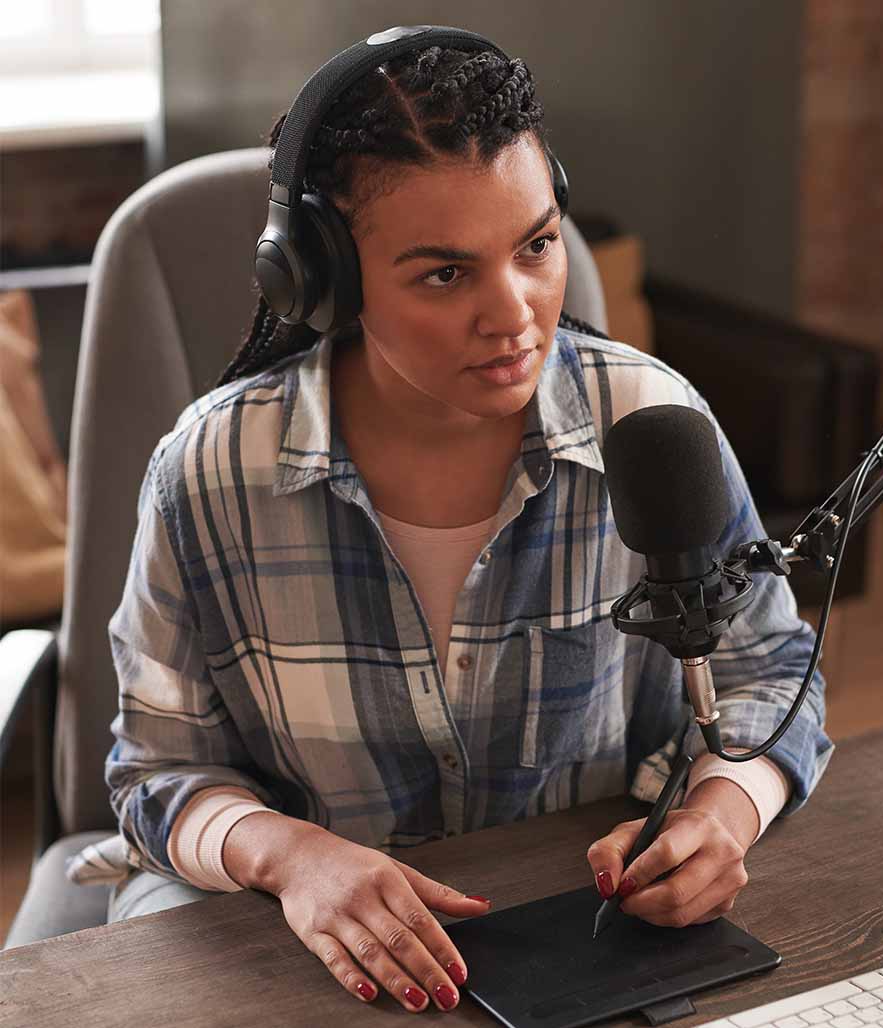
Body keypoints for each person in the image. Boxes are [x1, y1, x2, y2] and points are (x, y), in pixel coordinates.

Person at [102, 38, 834, 1015]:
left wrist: (722, 812)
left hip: (577, 938)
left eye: (536, 246)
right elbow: (157, 767)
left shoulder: (649, 424)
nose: (514, 313)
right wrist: (293, 856)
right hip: (289, 939)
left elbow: (772, 668)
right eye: (445, 274)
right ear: (325, 280)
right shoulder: (210, 472)